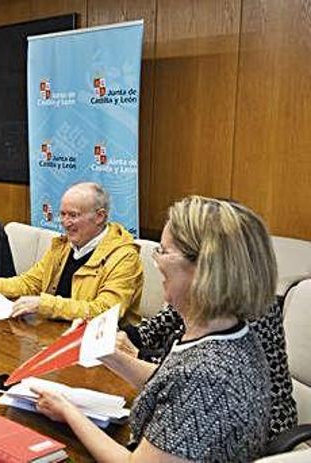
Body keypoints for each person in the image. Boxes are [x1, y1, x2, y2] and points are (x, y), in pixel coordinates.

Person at [31, 196, 275, 461]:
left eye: (164, 251)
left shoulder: (204, 377)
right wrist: (102, 350)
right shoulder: (230, 332)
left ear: (203, 269)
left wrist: (69, 412)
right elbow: (168, 380)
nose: (156, 261)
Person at [121, 299, 297, 439]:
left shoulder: (251, 306)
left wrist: (136, 355)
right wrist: (124, 337)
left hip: (257, 422)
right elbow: (156, 328)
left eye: (164, 251)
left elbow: (193, 370)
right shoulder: (198, 287)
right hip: (205, 405)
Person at [0, 182, 142, 323]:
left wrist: (44, 304)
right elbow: (31, 282)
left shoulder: (124, 257)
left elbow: (104, 312)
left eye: (73, 215)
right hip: (54, 333)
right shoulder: (63, 245)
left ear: (100, 216)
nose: (65, 223)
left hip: (102, 348)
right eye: (62, 214)